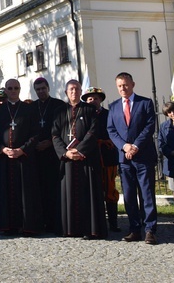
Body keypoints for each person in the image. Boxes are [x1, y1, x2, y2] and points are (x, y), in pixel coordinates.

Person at [107, 72, 158, 245]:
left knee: (147, 194)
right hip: (124, 158)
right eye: (120, 86)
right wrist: (124, 146)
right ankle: (134, 228)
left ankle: (150, 229)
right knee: (128, 195)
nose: (123, 88)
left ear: (133, 84)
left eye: (126, 85)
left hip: (143, 156)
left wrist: (135, 146)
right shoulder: (113, 107)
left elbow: (150, 126)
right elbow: (111, 130)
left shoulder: (145, 103)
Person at [52, 80, 106, 239]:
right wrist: (65, 153)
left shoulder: (89, 109)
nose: (74, 91)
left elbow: (93, 132)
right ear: (66, 92)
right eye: (71, 89)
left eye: (76, 89)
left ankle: (90, 229)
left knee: (88, 193)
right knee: (68, 193)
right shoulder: (60, 111)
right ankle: (69, 229)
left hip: (86, 159)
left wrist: (80, 150)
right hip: (67, 160)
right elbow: (55, 134)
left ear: (80, 91)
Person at [0, 79, 41, 236]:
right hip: (4, 158)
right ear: (5, 90)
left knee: (25, 193)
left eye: (16, 88)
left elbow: (35, 134)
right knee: (5, 192)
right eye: (10, 88)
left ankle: (26, 226)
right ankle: (8, 226)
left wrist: (22, 149)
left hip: (23, 158)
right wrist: (2, 149)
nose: (13, 90)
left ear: (20, 89)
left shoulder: (28, 109)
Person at [82, 87, 121, 233]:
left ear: (100, 100)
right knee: (93, 190)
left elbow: (116, 131)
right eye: (90, 98)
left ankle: (113, 222)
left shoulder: (109, 114)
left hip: (107, 156)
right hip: (89, 157)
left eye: (96, 98)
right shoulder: (83, 115)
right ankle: (96, 221)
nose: (93, 101)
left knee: (110, 190)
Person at [33, 77, 67, 234]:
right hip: (36, 154)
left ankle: (55, 222)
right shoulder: (32, 107)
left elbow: (63, 128)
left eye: (43, 88)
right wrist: (36, 144)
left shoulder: (59, 105)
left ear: (48, 88)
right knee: (39, 189)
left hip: (53, 154)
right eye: (38, 89)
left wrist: (49, 142)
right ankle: (41, 221)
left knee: (53, 189)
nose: (41, 91)